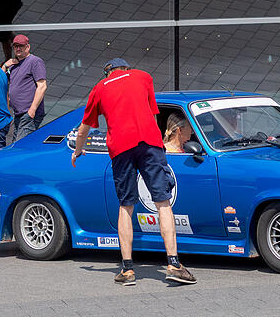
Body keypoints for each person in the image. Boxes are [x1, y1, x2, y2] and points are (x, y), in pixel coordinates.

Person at [73, 58, 196, 286]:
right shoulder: (143, 76)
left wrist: (78, 151)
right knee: (163, 202)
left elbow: (84, 129)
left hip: (120, 148)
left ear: (107, 72)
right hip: (149, 143)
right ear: (127, 69)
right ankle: (173, 264)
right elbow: (152, 113)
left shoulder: (100, 88)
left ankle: (128, 270)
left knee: (126, 206)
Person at [2, 35, 47, 143]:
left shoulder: (35, 61)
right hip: (18, 114)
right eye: (15, 46)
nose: (18, 48)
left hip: (29, 114)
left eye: (21, 46)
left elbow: (42, 86)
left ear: (28, 47)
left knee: (20, 147)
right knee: (17, 146)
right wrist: (4, 66)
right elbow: (0, 80)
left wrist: (32, 111)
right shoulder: (13, 64)